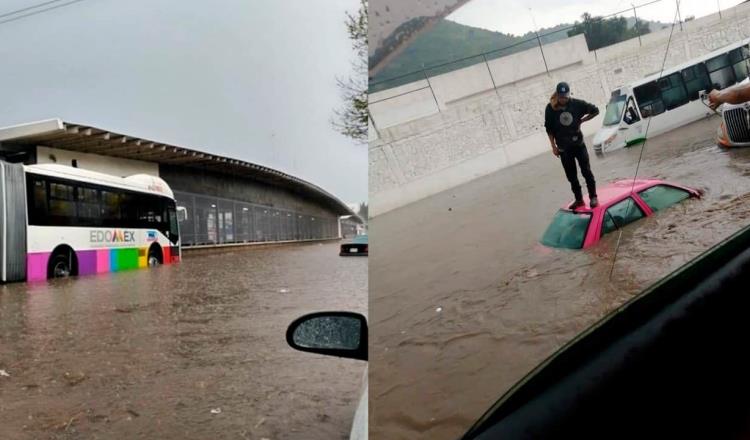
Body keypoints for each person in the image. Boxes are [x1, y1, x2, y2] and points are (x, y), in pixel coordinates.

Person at [545, 82, 600, 209]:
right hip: (564, 149)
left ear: (568, 95)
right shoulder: (550, 109)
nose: (563, 99)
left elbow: (595, 110)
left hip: (578, 145)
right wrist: (553, 146)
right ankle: (579, 199)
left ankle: (593, 196)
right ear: (557, 95)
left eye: (565, 96)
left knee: (586, 171)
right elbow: (549, 129)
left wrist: (583, 120)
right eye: (561, 97)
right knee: (571, 176)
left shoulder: (577, 104)